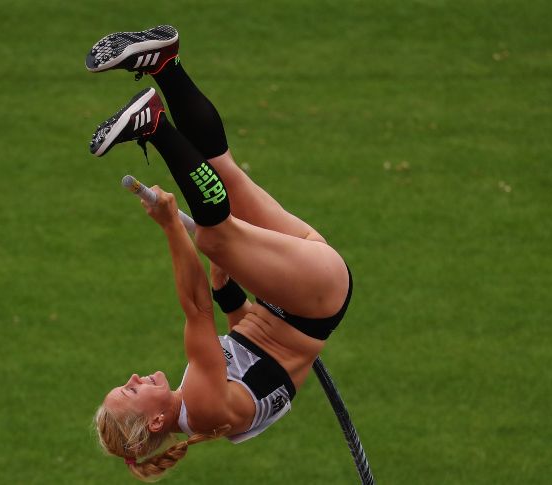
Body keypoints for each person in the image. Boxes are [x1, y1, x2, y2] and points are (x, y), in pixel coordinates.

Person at [86, 25, 353, 481]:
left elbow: (253, 349)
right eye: (129, 393)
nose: (131, 378)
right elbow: (195, 310)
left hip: (301, 287)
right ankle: (154, 125)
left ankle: (166, 65)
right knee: (214, 237)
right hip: (310, 298)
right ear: (154, 423)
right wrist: (172, 226)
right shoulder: (205, 410)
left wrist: (228, 293)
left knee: (220, 172)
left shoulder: (207, 409)